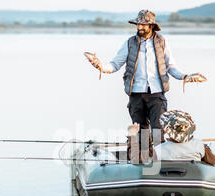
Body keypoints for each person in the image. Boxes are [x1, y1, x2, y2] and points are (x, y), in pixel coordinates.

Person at [86, 10, 205, 161]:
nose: (139, 27)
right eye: (138, 24)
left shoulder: (162, 41)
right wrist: (100, 67)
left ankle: (159, 163)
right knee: (140, 132)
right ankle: (142, 163)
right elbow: (115, 64)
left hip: (157, 94)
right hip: (136, 95)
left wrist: (185, 77)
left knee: (158, 132)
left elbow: (171, 66)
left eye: (143, 24)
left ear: (151, 26)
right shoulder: (130, 43)